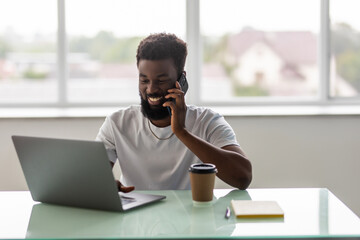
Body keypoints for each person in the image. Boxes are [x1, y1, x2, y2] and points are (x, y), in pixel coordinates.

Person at [96, 33, 252, 192]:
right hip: (136, 215)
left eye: (161, 81)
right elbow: (93, 177)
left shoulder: (207, 121)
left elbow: (243, 177)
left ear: (181, 80)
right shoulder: (117, 123)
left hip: (191, 214)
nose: (151, 89)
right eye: (144, 80)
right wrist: (102, 185)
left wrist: (181, 131)